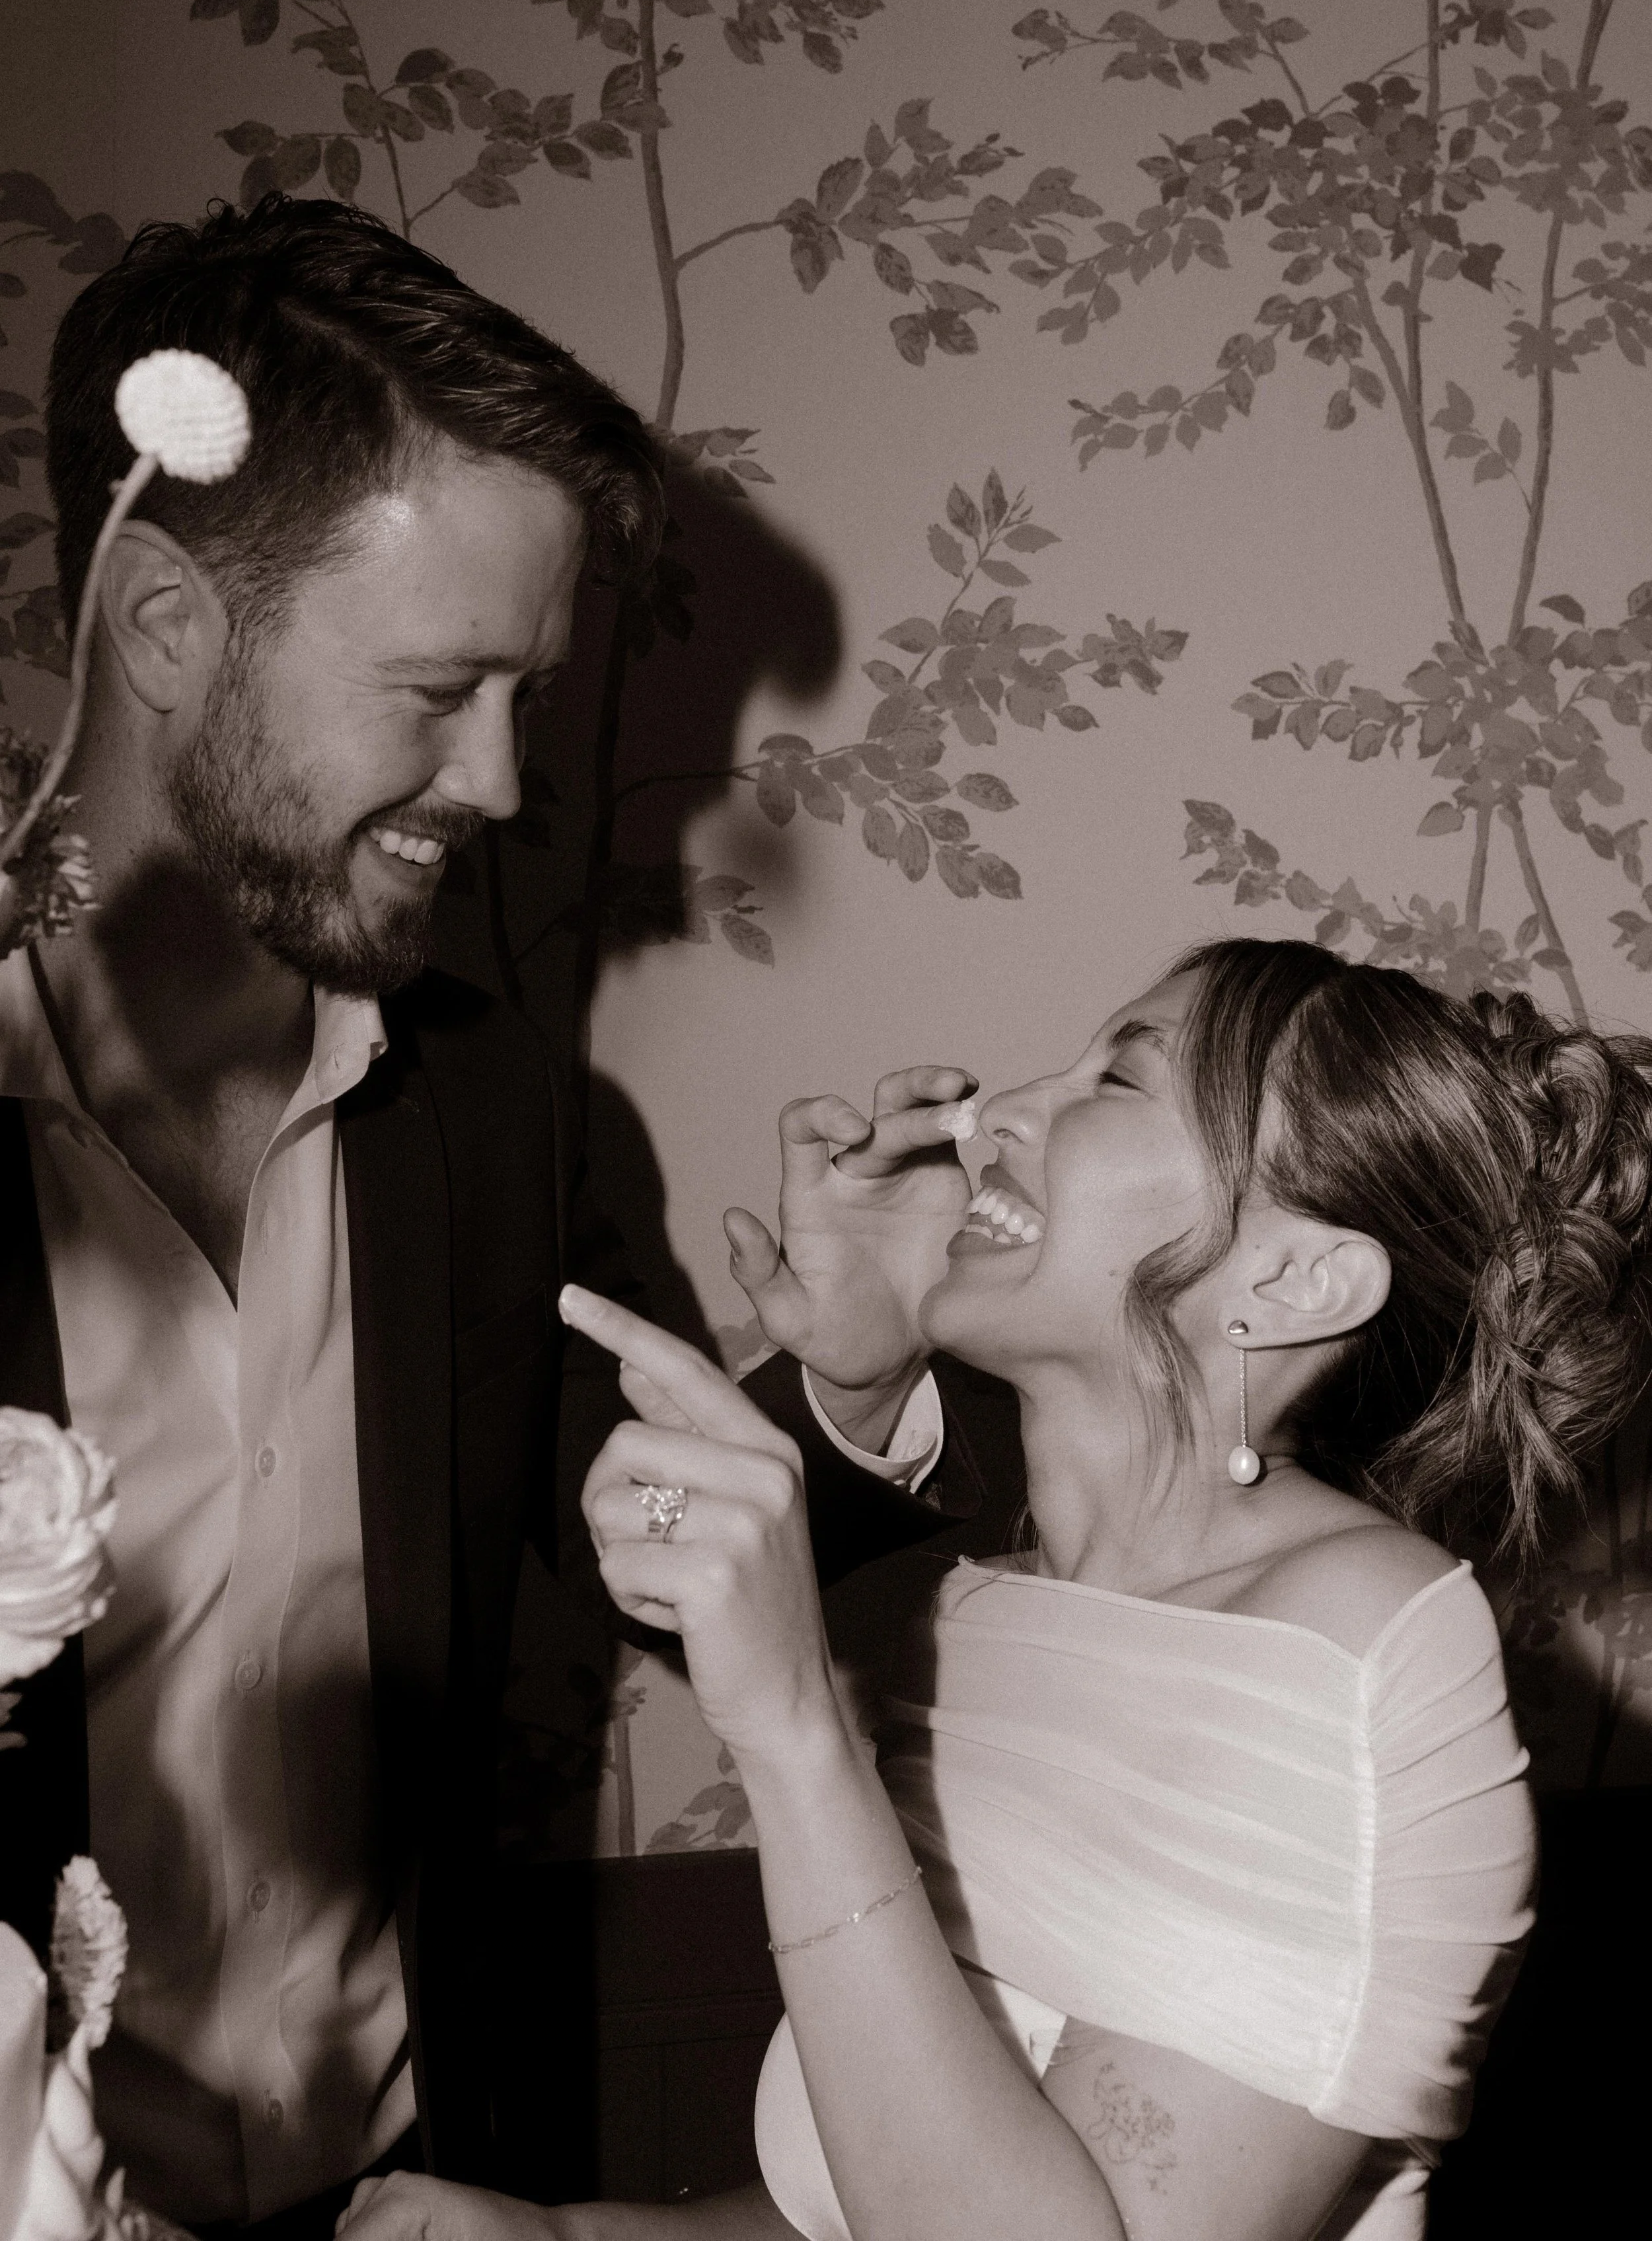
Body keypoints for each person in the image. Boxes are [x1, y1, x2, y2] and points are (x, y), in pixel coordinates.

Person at [0, 196, 1010, 2238]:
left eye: (525, 696)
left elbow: (663, 1546)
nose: (503, 775)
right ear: (167, 629)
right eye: (445, 684)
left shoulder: (493, 1104)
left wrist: (855, 1376)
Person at [341, 940, 1652, 2241]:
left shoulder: (1358, 1655)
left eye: (1115, 1082)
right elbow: (871, 2198)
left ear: (1290, 1280)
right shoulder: (993, 1608)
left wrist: (794, 1731)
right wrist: (559, 2239)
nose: (993, 1110)